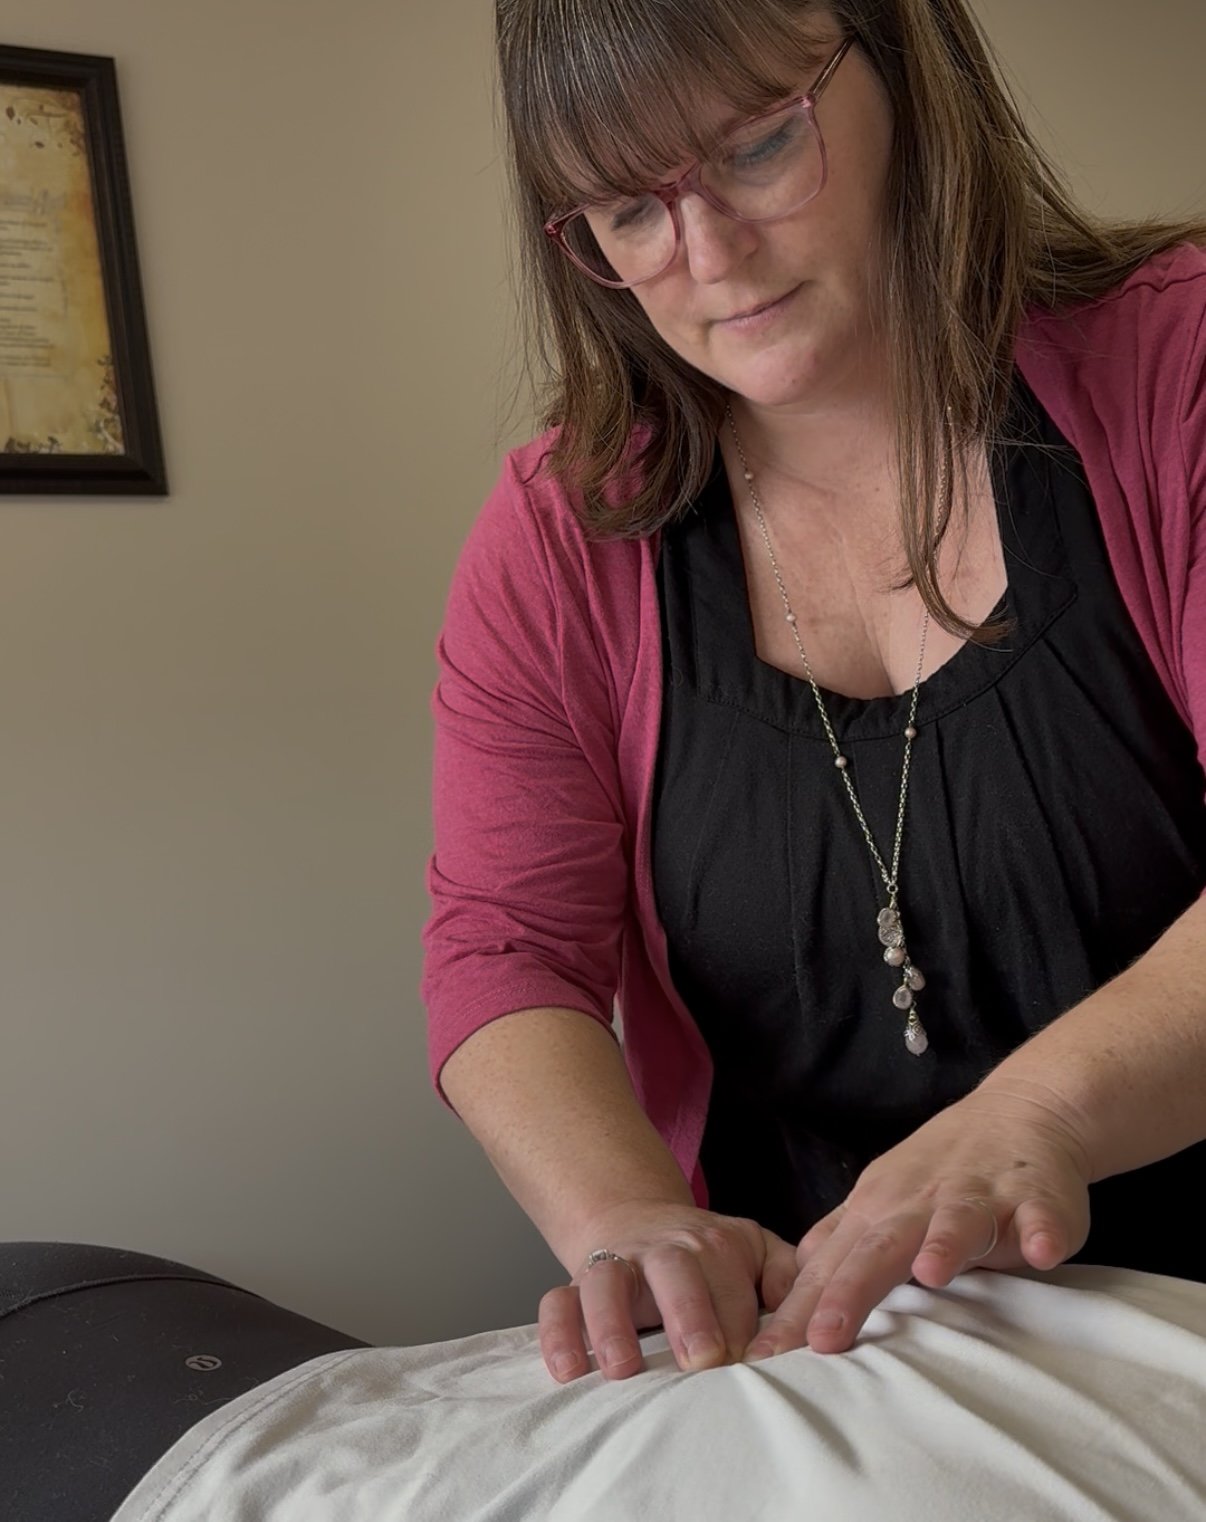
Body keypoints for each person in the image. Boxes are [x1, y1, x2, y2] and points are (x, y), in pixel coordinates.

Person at [423, 0, 1206, 1387]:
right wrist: (625, 1219)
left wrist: (1035, 1111)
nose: (706, 256)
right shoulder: (560, 534)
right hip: (821, 1356)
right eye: (624, 211)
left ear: (904, 74)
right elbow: (506, 951)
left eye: (759, 146)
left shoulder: (1175, 369)